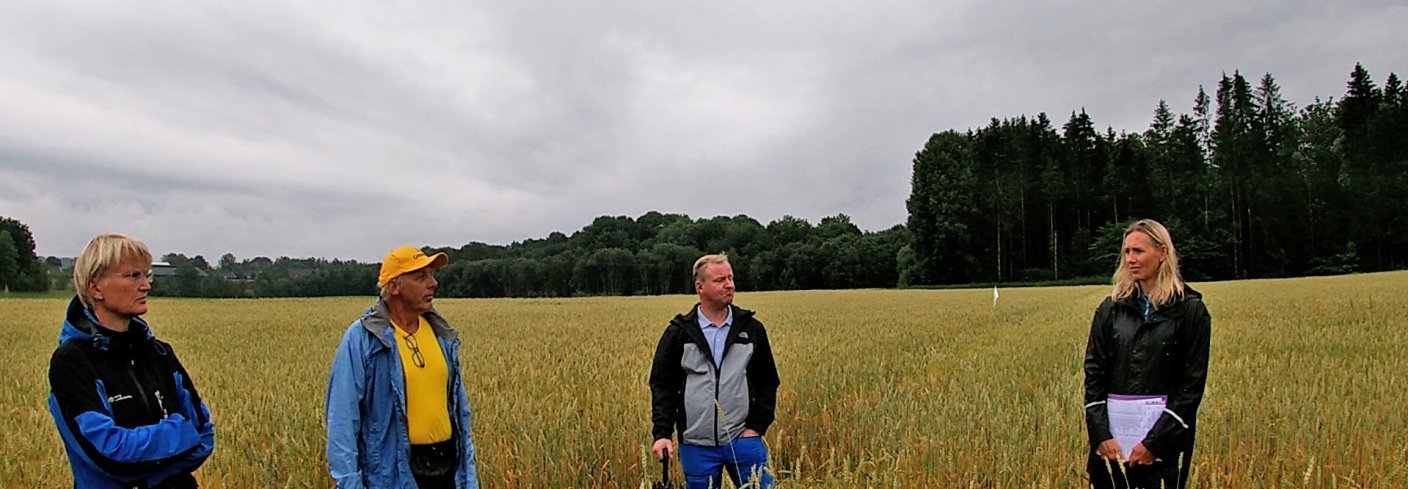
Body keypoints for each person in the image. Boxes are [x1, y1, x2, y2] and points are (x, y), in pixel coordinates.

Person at [47, 233, 216, 489]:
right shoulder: (72, 362)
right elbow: (109, 455)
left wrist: (144, 462)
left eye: (145, 275)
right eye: (133, 276)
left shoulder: (159, 353)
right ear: (95, 288)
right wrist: (177, 433)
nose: (146, 285)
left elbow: (203, 434)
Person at [325, 245, 479, 488]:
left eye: (431, 275)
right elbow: (342, 421)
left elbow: (461, 414)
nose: (433, 283)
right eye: (421, 277)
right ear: (394, 287)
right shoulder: (363, 339)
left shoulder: (442, 336)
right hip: (393, 474)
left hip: (447, 470)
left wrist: (468, 478)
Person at [1084, 220, 1211, 489]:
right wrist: (1101, 435)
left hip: (1162, 452)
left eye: (1138, 251)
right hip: (1112, 448)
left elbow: (1191, 387)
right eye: (1127, 252)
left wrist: (1154, 444)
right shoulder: (1111, 310)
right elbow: (1094, 374)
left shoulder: (1190, 312)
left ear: (1162, 253)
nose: (1130, 259)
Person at [649, 253, 780, 489]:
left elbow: (768, 381)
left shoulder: (751, 329)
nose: (729, 285)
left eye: (730, 278)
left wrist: (756, 428)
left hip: (743, 440)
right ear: (700, 287)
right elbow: (663, 386)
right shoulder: (679, 333)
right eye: (720, 280)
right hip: (696, 445)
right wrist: (662, 433)